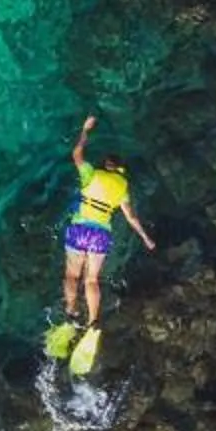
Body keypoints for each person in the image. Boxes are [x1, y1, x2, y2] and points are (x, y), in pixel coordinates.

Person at [60, 115, 156, 327]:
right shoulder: (122, 187)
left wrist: (85, 130)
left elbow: (76, 153)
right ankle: (93, 321)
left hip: (79, 229)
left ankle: (72, 310)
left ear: (105, 165)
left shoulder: (91, 174)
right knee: (91, 280)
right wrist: (145, 238)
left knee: (72, 275)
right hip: (100, 235)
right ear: (120, 170)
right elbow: (130, 217)